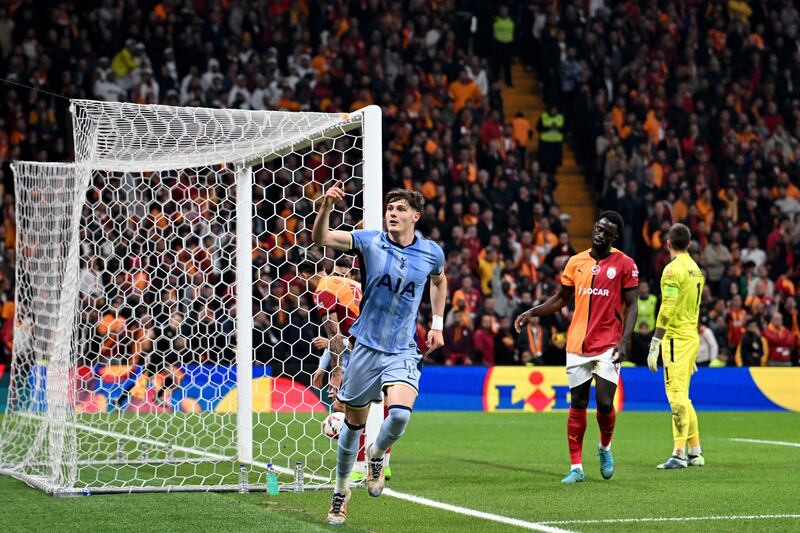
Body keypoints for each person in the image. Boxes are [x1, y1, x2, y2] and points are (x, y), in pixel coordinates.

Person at [312, 183, 446, 525]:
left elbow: (440, 281)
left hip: (401, 349)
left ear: (415, 216)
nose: (392, 213)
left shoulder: (431, 253)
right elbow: (323, 239)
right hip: (365, 349)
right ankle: (340, 493)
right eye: (390, 208)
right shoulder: (369, 240)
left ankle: (376, 455)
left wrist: (438, 323)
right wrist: (326, 206)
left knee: (399, 416)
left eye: (400, 209)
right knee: (352, 427)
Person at [515, 211, 639, 484]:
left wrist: (624, 339)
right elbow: (560, 299)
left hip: (608, 344)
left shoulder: (625, 264)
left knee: (605, 404)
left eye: (607, 232)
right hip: (576, 344)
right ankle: (576, 467)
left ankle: (604, 448)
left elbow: (632, 305)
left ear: (614, 237)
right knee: (578, 403)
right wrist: (531, 312)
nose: (600, 234)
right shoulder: (575, 262)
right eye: (598, 228)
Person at [299, 255, 395, 482]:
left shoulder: (322, 291)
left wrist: (336, 371)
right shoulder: (347, 283)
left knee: (350, 406)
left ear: (303, 275)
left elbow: (334, 335)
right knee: (382, 405)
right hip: (384, 339)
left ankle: (359, 467)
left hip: (364, 348)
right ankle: (384, 463)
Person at [646, 223, 706, 469]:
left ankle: (679, 454)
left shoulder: (672, 271)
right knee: (685, 398)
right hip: (691, 336)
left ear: (668, 243)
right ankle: (695, 451)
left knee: (677, 397)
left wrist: (656, 340)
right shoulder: (695, 269)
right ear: (689, 244)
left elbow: (668, 307)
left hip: (676, 339)